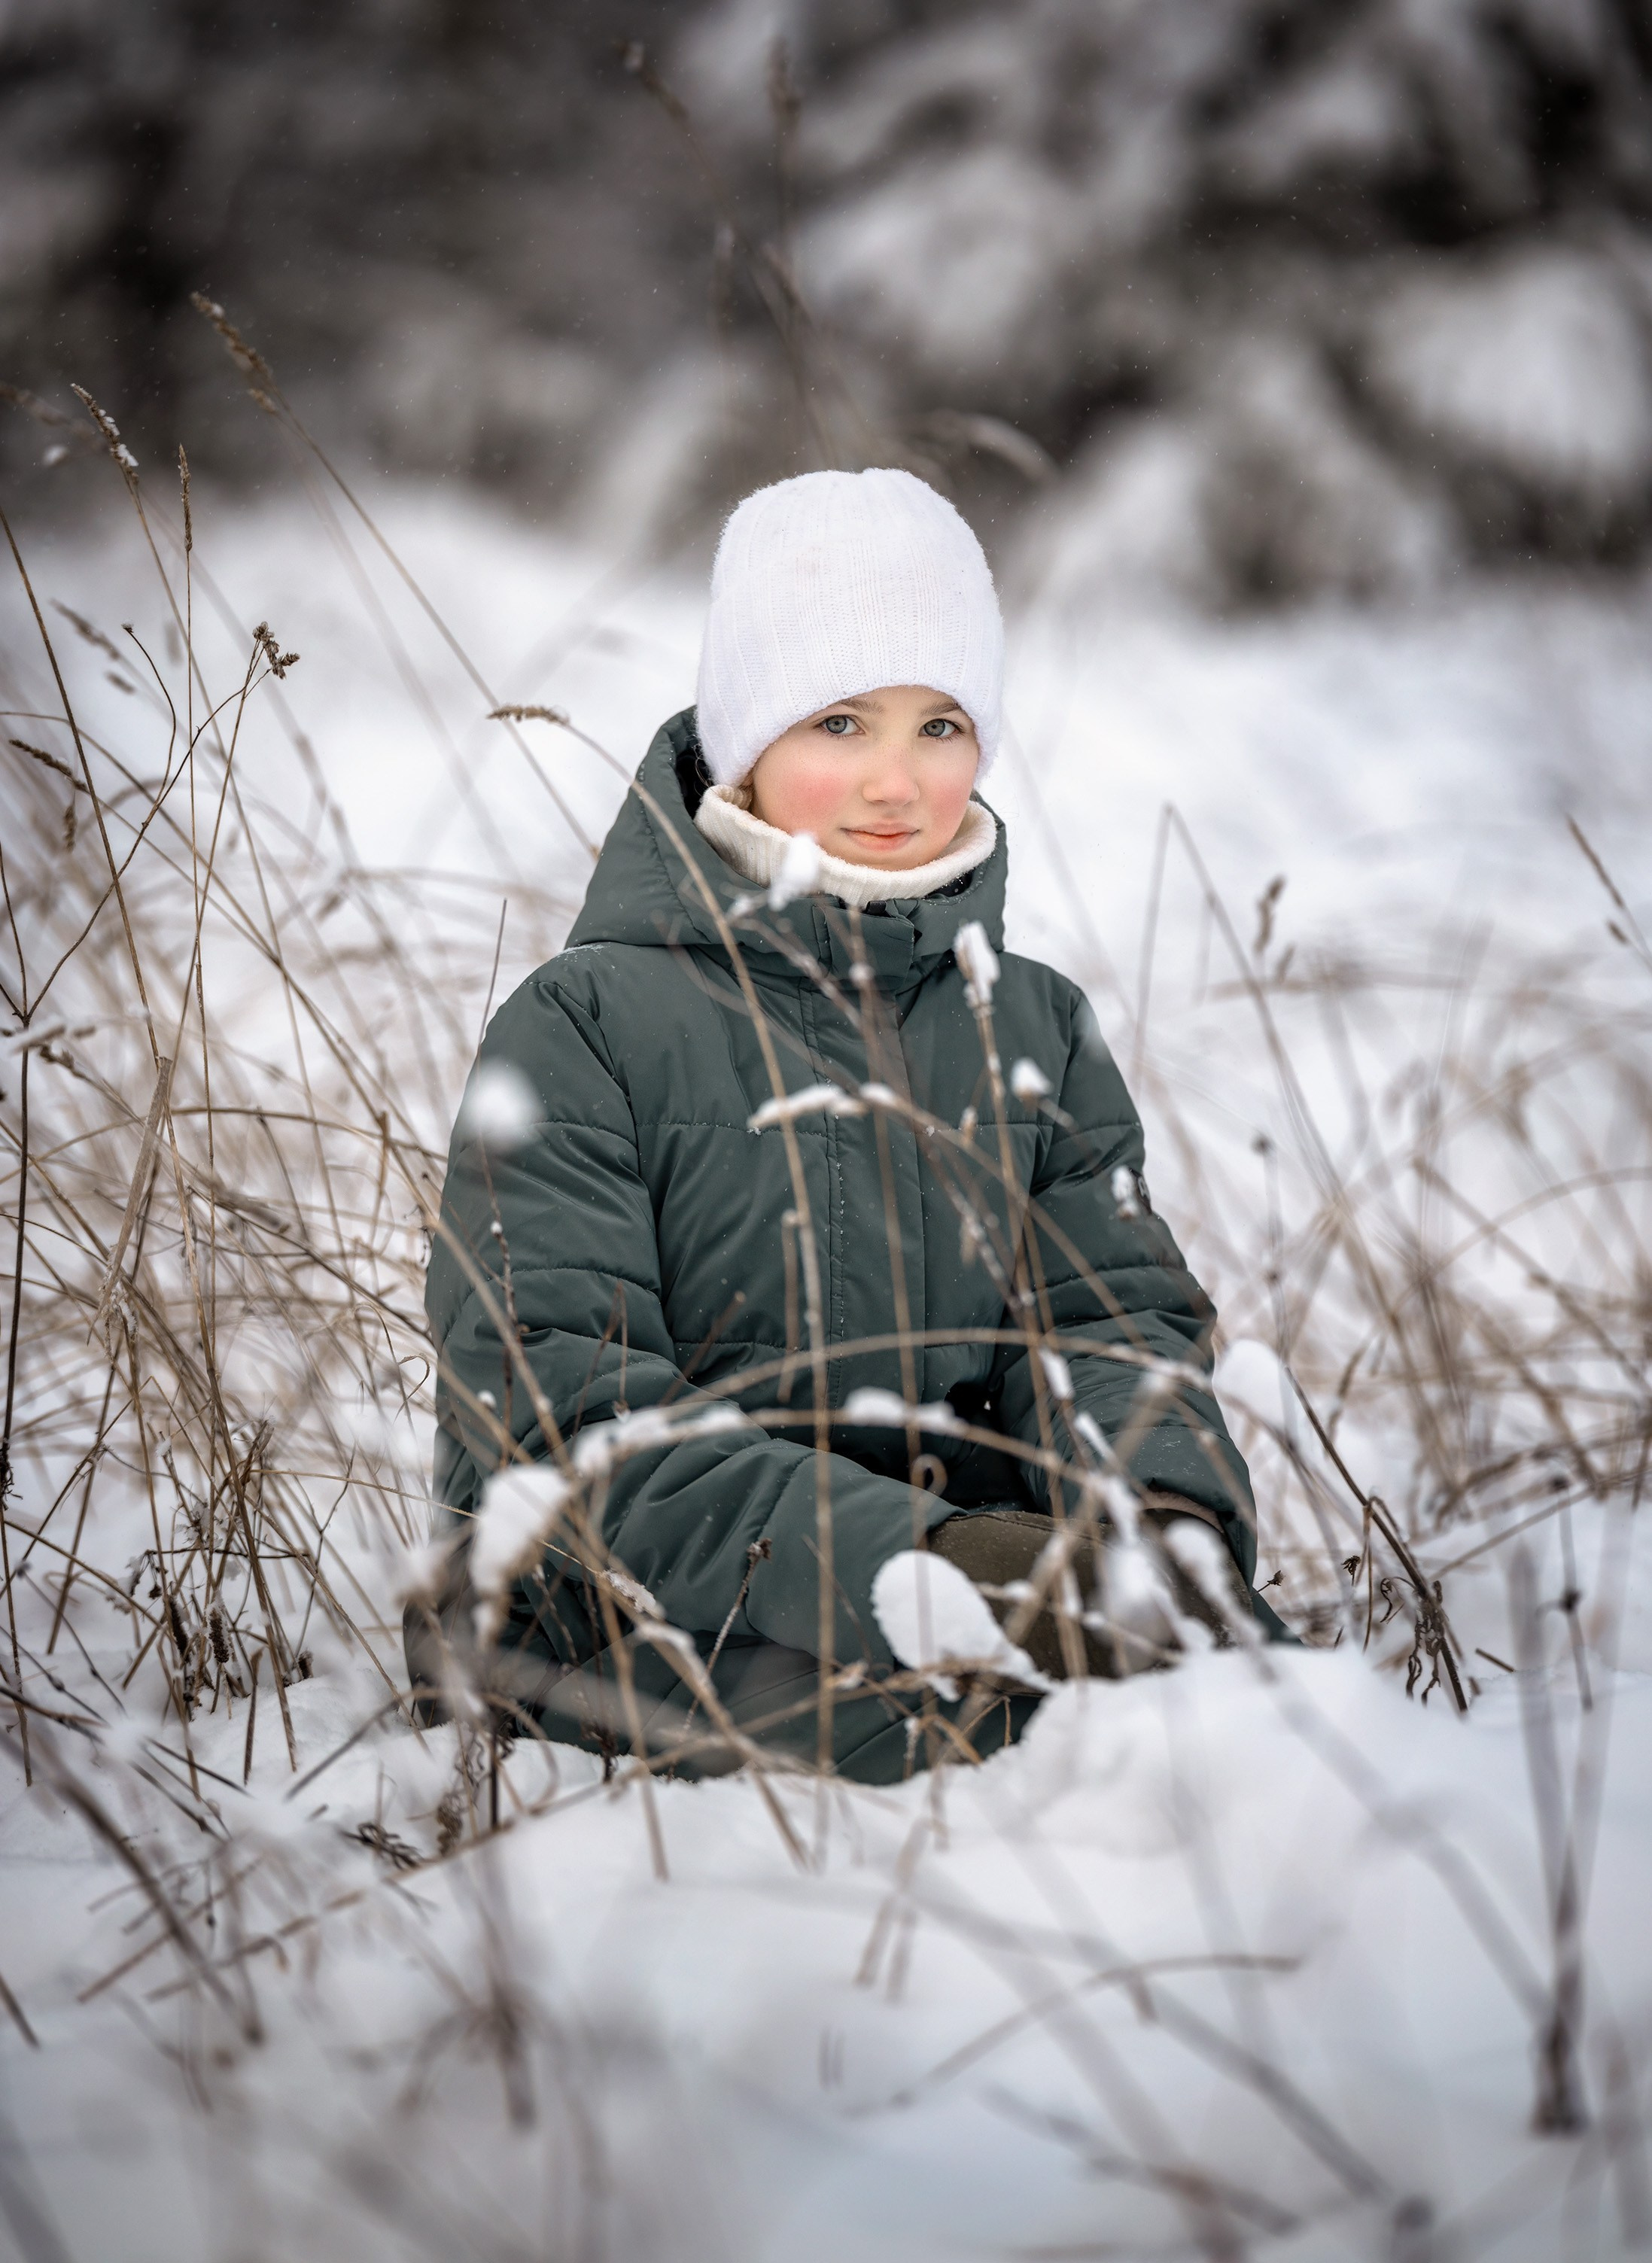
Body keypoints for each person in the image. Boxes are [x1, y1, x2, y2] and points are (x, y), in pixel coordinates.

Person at [409, 468, 1285, 1784]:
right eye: (839, 721)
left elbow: (1111, 1327)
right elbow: (562, 1420)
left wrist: (1154, 1521)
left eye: (942, 724)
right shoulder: (584, 1023)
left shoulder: (1029, 1024)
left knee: (1254, 1711)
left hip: (975, 1590)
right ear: (746, 739)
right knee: (1039, 1738)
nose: (898, 780)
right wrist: (924, 1562)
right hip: (616, 1631)